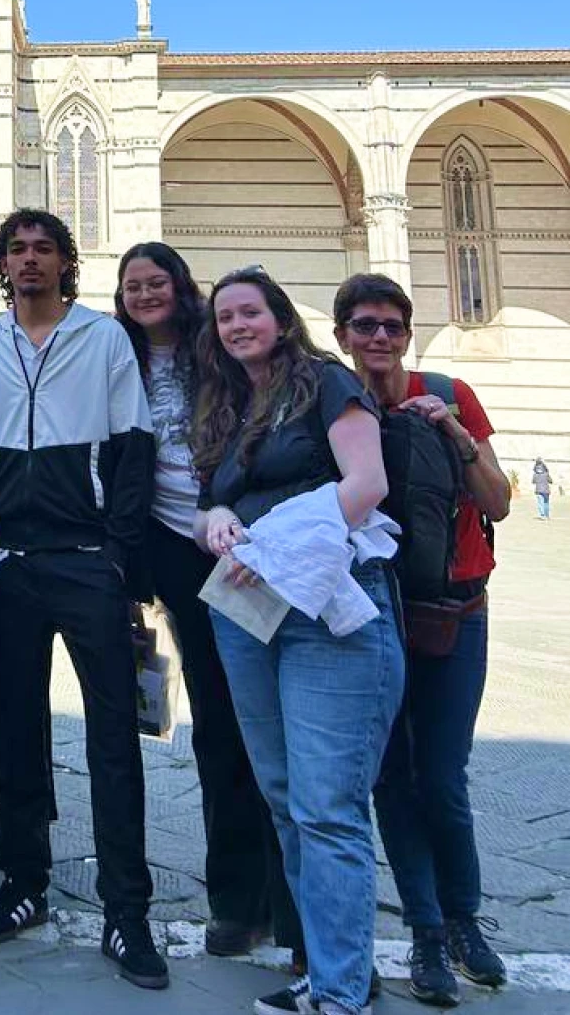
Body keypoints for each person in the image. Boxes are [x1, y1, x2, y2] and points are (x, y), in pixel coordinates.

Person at [0, 210, 167, 989]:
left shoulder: (102, 338)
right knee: (13, 728)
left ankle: (126, 910)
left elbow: (132, 448)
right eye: (18, 250)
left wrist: (119, 557)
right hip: (9, 562)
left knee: (112, 735)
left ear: (65, 263)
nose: (30, 260)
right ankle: (22, 883)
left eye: (44, 249)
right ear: (2, 265)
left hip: (85, 561)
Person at [193, 265, 400, 1015]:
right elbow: (209, 504)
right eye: (224, 318)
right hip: (247, 614)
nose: (237, 325)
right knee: (283, 799)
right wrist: (210, 523)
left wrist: (274, 545)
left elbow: (365, 483)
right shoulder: (223, 404)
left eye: (249, 311)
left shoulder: (325, 383)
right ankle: (326, 969)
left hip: (324, 613)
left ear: (281, 318)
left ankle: (342, 991)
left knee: (325, 806)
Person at [112, 242, 295, 959]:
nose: (145, 294)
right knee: (217, 723)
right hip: (169, 548)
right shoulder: (115, 353)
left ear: (179, 287)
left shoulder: (212, 345)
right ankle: (236, 899)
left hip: (242, 545)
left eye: (155, 282)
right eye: (132, 286)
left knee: (269, 718)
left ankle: (294, 895)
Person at [335, 273, 511, 1005]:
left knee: (441, 775)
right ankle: (426, 931)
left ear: (406, 334)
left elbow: (497, 499)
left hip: (453, 613)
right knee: (391, 780)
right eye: (364, 325)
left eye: (391, 326)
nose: (379, 338)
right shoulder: (334, 407)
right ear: (343, 335)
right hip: (372, 621)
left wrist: (452, 430)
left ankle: (465, 920)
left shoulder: (450, 389)